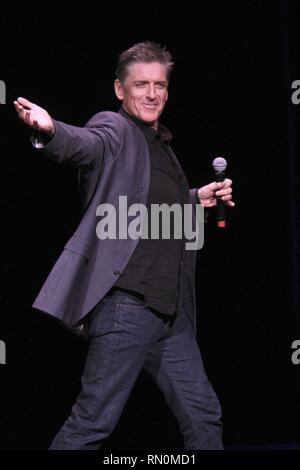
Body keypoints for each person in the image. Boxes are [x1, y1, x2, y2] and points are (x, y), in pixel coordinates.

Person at [14, 41, 234, 450]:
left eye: (160, 85)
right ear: (120, 90)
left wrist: (195, 199)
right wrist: (51, 130)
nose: (152, 94)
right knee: (92, 422)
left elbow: (145, 209)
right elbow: (86, 144)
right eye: (141, 85)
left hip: (171, 316)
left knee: (204, 415)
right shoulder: (115, 130)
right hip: (127, 306)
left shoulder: (163, 149)